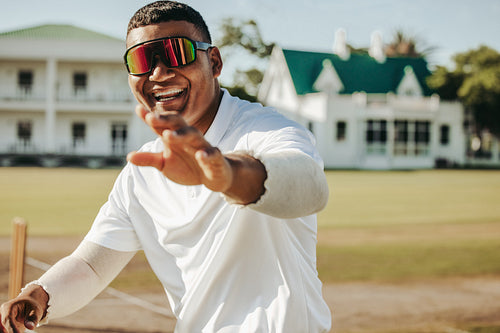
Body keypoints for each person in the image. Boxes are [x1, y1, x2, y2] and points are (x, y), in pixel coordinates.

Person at [0, 1, 331, 332]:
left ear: (214, 62)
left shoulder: (265, 129)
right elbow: (91, 265)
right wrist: (38, 297)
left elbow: (310, 187)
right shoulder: (144, 168)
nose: (158, 73)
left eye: (177, 53)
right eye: (141, 60)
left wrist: (226, 174)